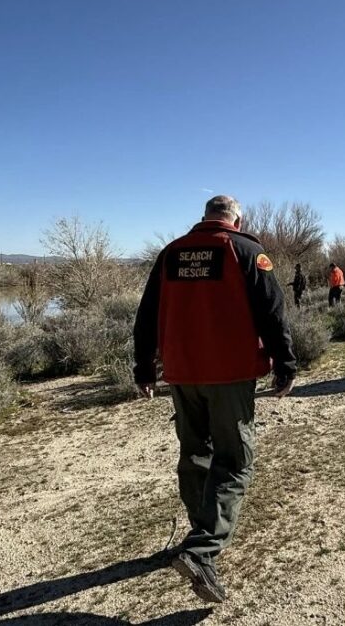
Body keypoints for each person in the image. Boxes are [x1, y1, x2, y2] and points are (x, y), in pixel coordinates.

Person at [133, 195, 297, 603]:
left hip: (183, 374)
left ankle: (200, 536)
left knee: (195, 455)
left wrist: (143, 367)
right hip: (231, 373)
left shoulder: (171, 253)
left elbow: (146, 314)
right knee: (236, 461)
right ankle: (202, 549)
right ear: (236, 219)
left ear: (205, 217)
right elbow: (272, 312)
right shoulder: (246, 251)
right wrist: (285, 362)